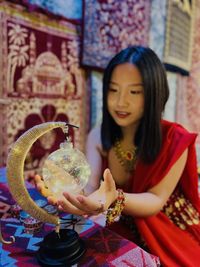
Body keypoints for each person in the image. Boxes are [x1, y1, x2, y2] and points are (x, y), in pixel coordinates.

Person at [35, 46, 200, 266]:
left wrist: (115, 198)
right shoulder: (99, 136)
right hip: (124, 221)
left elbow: (156, 200)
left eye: (134, 92)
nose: (121, 102)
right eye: (113, 90)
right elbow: (93, 190)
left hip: (169, 223)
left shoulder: (175, 139)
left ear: (154, 94)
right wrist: (75, 199)